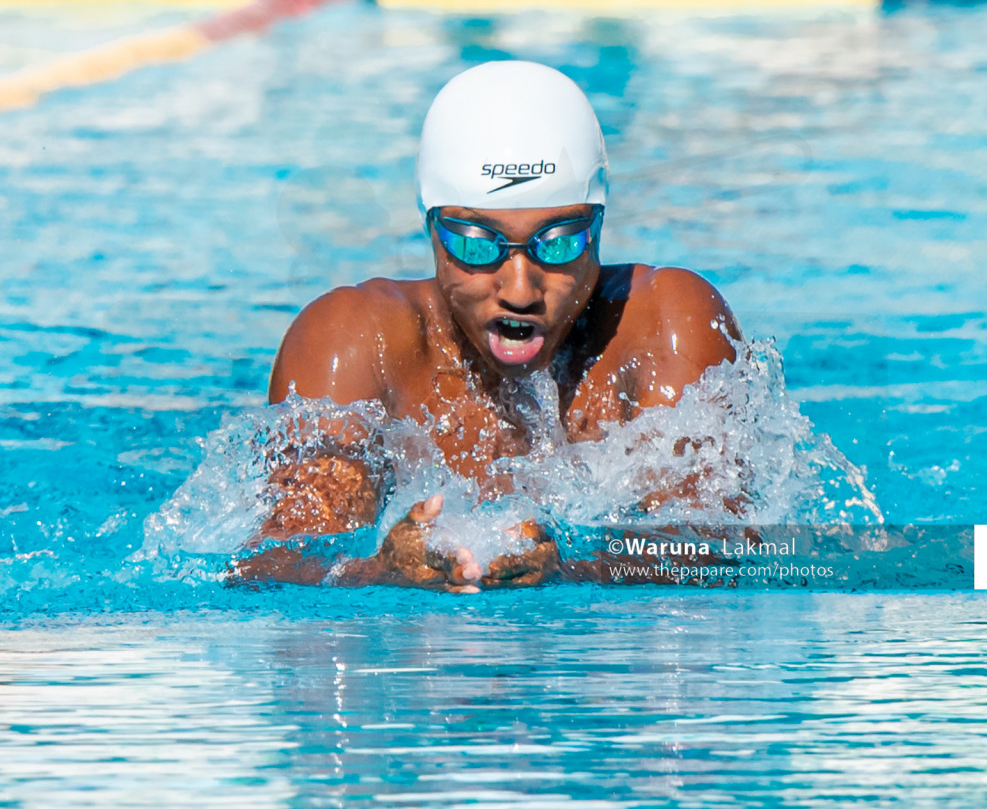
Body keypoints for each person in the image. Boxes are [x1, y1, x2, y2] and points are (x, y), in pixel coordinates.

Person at [236, 60, 741, 592]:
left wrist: (573, 568)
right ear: (431, 226)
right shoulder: (357, 344)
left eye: (560, 241)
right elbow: (273, 566)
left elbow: (732, 548)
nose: (520, 290)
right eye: (477, 245)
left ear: (599, 225)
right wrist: (376, 573)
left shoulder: (665, 324)